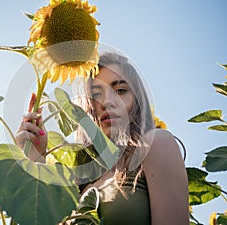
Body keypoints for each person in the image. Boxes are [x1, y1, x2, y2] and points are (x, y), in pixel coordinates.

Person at [15, 52, 189, 225]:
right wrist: (35, 159)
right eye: (96, 94)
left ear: (137, 100)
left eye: (120, 91)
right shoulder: (78, 179)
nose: (107, 102)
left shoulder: (154, 144)